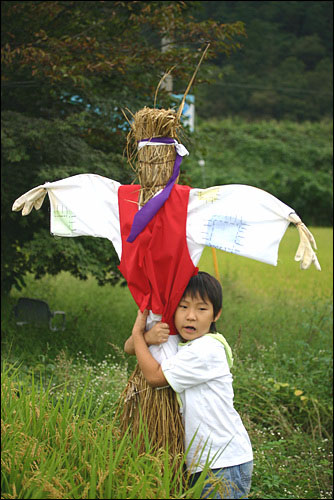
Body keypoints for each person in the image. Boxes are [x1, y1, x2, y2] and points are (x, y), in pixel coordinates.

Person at [131, 271, 253, 499]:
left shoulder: (206, 350)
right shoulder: (186, 343)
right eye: (183, 306)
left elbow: (155, 377)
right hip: (205, 462)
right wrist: (147, 338)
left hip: (222, 464)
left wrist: (139, 334)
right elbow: (129, 348)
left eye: (201, 309)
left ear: (216, 314)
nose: (191, 316)